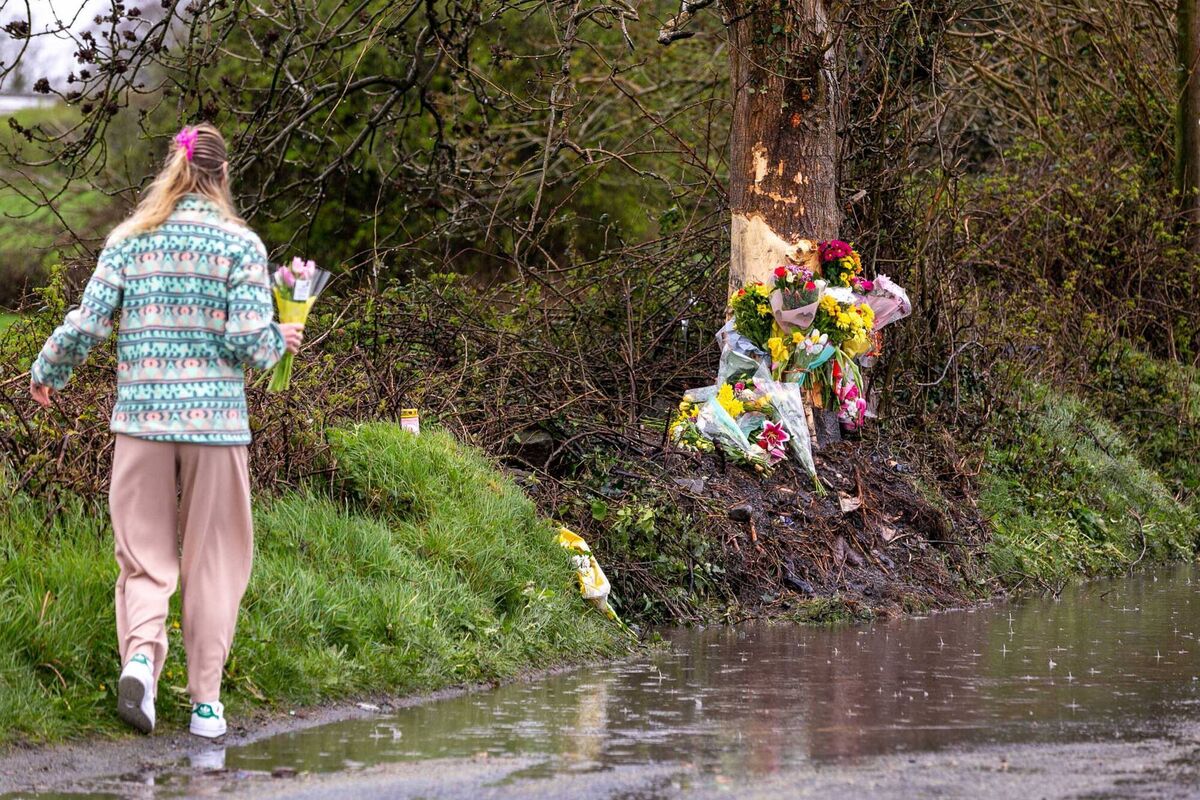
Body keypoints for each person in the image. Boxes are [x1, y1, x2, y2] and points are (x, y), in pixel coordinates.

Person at [28, 123, 304, 739]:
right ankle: (206, 705)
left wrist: (49, 368)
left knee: (144, 556)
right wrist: (279, 339)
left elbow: (90, 321)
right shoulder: (241, 245)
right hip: (216, 428)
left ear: (172, 168)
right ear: (222, 175)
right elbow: (249, 344)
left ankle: (140, 663)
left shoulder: (131, 239)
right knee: (216, 560)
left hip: (143, 422)